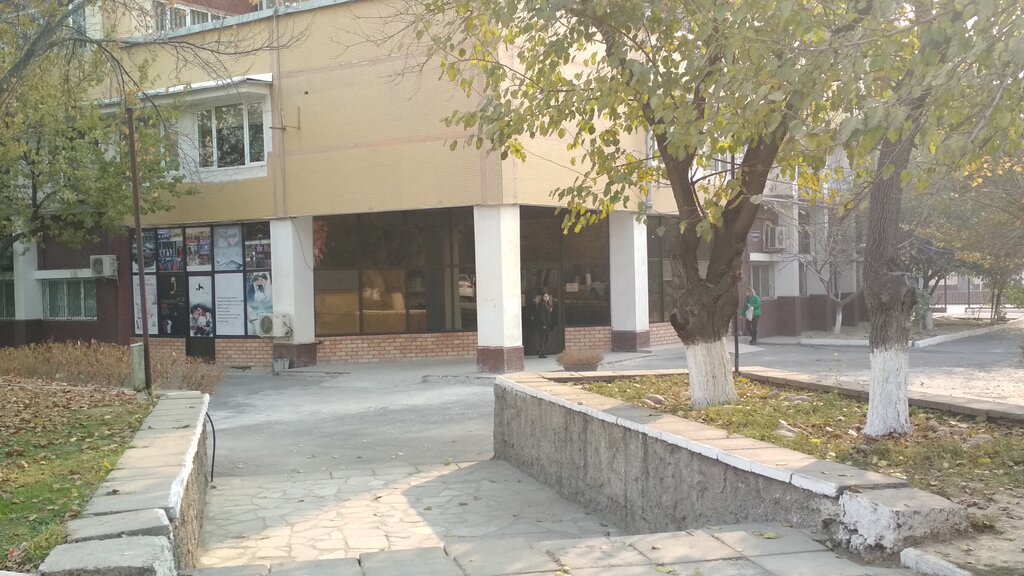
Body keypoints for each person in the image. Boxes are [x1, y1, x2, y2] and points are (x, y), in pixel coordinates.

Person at [534, 288, 554, 358]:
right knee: (543, 339)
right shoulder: (541, 305)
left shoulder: (547, 304)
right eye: (545, 296)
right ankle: (540, 353)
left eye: (547, 296)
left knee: (547, 338)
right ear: (542, 297)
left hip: (547, 324)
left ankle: (539, 349)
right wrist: (544, 324)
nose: (546, 297)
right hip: (543, 325)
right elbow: (541, 315)